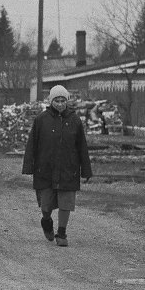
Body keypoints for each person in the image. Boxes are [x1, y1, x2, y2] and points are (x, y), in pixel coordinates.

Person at [22, 85, 93, 247]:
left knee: (66, 202)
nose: (60, 104)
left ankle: (61, 233)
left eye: (63, 100)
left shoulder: (74, 120)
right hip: (45, 169)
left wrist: (86, 170)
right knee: (46, 205)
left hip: (69, 169)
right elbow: (32, 144)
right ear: (51, 101)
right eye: (57, 100)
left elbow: (82, 146)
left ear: (67, 101)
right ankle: (46, 220)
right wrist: (29, 166)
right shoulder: (41, 120)